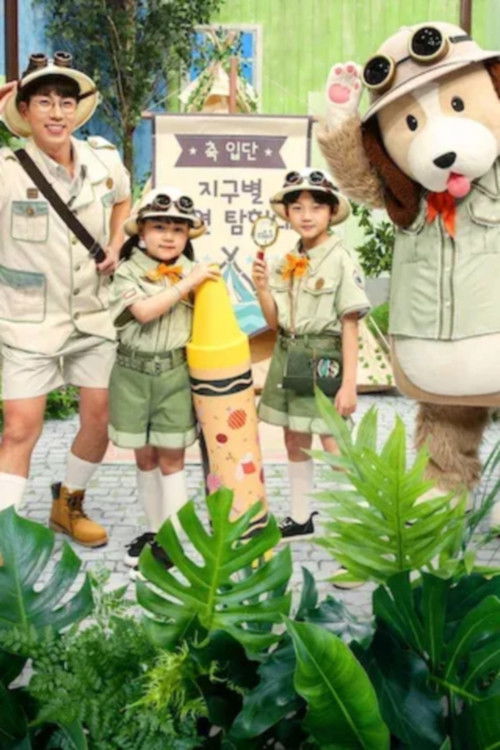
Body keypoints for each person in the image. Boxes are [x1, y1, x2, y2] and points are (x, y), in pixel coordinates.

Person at [0, 53, 131, 546]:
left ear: (77, 110)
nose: (56, 113)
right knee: (20, 429)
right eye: (44, 102)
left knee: (101, 418)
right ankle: (4, 534)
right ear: (24, 111)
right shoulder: (7, 171)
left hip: (93, 313)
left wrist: (116, 242)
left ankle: (68, 503)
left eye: (66, 103)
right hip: (27, 320)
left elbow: (123, 198)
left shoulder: (103, 160)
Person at [251, 168, 370, 541]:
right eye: (298, 207)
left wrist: (349, 385)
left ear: (332, 212)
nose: (306, 215)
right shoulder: (287, 259)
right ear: (286, 213)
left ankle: (362, 526)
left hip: (324, 357)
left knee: (334, 441)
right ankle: (301, 518)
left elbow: (350, 325)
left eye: (316, 207)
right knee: (294, 437)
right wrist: (261, 288)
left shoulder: (341, 259)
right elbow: (275, 322)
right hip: (290, 354)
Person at [108, 187, 220, 574]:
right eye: (159, 227)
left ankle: (172, 541)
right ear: (141, 232)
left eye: (178, 229)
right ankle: (155, 531)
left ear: (188, 235)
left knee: (172, 458)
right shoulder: (127, 271)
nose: (169, 236)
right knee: (144, 456)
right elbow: (142, 311)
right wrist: (188, 283)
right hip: (131, 374)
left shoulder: (200, 273)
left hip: (175, 374)